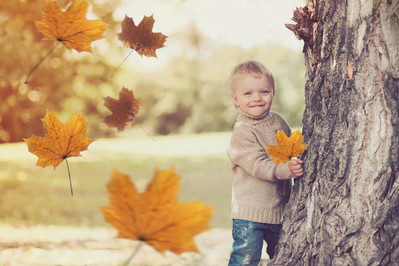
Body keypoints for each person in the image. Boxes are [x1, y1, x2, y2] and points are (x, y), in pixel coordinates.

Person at [227, 60, 304, 265]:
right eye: (248, 94)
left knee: (284, 257)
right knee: (245, 259)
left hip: (280, 211)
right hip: (249, 215)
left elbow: (291, 148)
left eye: (264, 92)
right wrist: (287, 170)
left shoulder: (278, 121)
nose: (257, 99)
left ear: (273, 93)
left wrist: (297, 159)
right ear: (235, 100)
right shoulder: (242, 132)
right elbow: (258, 165)